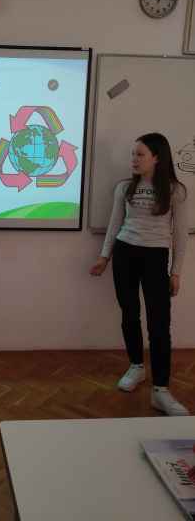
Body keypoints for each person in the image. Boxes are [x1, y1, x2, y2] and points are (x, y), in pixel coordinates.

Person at [90, 132, 189, 416]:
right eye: (132, 154)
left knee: (159, 324)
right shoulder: (124, 187)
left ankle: (161, 390)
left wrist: (176, 273)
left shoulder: (175, 191)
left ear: (157, 157)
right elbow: (114, 224)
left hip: (156, 257)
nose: (134, 159)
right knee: (130, 313)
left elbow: (181, 235)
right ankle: (136, 366)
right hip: (125, 253)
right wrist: (104, 257)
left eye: (140, 154)